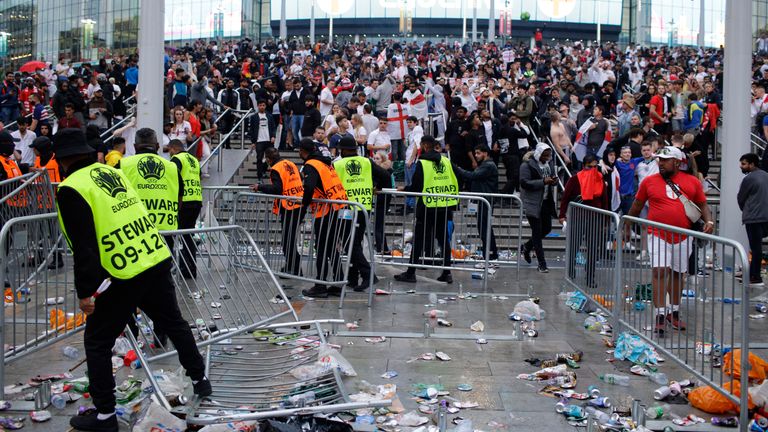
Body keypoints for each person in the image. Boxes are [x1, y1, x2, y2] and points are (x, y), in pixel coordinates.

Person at [53, 128, 209, 432]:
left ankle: (104, 416)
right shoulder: (110, 171)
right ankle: (200, 379)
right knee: (174, 322)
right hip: (153, 255)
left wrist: (86, 292)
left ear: (62, 160)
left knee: (97, 341)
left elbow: (85, 246)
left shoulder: (71, 187)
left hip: (122, 270)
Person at [625, 146, 713, 337]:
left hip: (682, 235)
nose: (661, 162)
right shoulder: (649, 182)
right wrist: (626, 226)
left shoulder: (692, 181)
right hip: (657, 233)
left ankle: (673, 312)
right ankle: (659, 316)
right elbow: (637, 205)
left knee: (677, 273)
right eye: (659, 159)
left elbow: (702, 204)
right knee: (659, 271)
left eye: (665, 159)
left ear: (677, 162)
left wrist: (709, 220)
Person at [395, 135, 458, 284]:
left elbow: (416, 186)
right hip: (444, 206)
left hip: (427, 207)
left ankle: (411, 272)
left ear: (423, 146)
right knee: (444, 240)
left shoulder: (423, 163)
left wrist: (405, 188)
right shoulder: (445, 160)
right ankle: (447, 272)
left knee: (418, 240)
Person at [333, 136, 390, 291]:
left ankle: (368, 274)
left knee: (350, 244)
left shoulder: (337, 164)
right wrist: (376, 186)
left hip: (346, 210)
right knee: (354, 244)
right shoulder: (367, 161)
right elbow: (386, 176)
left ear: (343, 150)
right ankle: (352, 278)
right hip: (364, 208)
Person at [298, 139, 349, 298]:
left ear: (302, 151)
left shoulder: (311, 165)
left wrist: (303, 207)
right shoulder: (325, 163)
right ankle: (338, 283)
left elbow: (310, 187)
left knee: (321, 248)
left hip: (326, 211)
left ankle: (320, 285)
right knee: (332, 248)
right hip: (338, 207)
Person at [252, 147, 304, 277]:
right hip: (299, 203)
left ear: (269, 159)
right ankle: (293, 267)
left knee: (288, 240)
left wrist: (260, 187)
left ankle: (293, 269)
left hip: (289, 206)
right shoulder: (289, 163)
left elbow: (277, 189)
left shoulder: (276, 169)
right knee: (290, 238)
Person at [119, 128, 181, 238]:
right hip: (165, 230)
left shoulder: (122, 165)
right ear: (157, 146)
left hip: (133, 231)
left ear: (135, 146)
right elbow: (180, 197)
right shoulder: (172, 167)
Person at [560, 154, 608, 287]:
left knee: (593, 248)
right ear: (583, 166)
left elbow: (604, 200)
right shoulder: (575, 179)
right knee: (574, 246)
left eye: (594, 167)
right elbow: (566, 197)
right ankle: (571, 271)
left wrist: (605, 220)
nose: (592, 170)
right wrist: (562, 215)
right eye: (589, 167)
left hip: (595, 218)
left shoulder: (600, 179)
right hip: (578, 216)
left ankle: (590, 276)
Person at [453, 144, 499, 260]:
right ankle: (490, 254)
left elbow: (473, 175)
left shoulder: (488, 165)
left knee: (485, 229)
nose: (476, 156)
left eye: (478, 153)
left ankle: (491, 255)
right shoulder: (484, 165)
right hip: (481, 201)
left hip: (485, 201)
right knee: (483, 229)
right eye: (475, 153)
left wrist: (457, 169)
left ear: (486, 153)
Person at [168, 139, 203, 279]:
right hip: (196, 200)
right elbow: (199, 177)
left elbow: (172, 178)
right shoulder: (193, 159)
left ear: (173, 148)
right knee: (188, 235)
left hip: (184, 202)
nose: (169, 153)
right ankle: (189, 269)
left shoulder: (177, 159)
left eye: (169, 150)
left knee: (181, 235)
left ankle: (184, 268)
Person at [520, 143, 558, 273]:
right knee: (537, 231)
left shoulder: (549, 164)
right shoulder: (527, 165)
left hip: (546, 201)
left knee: (546, 229)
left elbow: (551, 178)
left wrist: (554, 180)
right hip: (533, 203)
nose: (547, 157)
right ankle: (542, 263)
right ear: (538, 154)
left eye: (548, 155)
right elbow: (524, 183)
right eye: (544, 155)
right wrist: (542, 182)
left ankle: (527, 246)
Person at [737, 153, 768, 289]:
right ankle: (752, 274)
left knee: (755, 248)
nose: (741, 166)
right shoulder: (766, 175)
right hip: (765, 216)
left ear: (752, 164)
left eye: (744, 164)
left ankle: (755, 276)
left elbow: (741, 198)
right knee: (757, 248)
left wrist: (746, 210)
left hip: (754, 217)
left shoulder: (749, 179)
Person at [249, 99, 276, 179]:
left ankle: (264, 170)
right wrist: (253, 142)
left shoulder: (270, 116)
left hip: (268, 140)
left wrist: (273, 136)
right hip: (259, 140)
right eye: (260, 105)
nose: (262, 107)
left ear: (265, 106)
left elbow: (273, 127)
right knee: (259, 158)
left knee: (270, 157)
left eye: (263, 105)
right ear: (257, 106)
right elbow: (252, 130)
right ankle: (259, 175)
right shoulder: (254, 117)